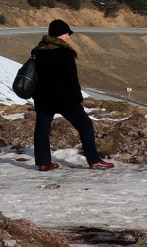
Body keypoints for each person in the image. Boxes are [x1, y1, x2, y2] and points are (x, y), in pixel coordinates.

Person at [30, 20, 114, 172]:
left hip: (42, 97)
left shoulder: (38, 51)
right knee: (85, 125)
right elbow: (71, 79)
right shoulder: (65, 52)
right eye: (67, 33)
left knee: (42, 128)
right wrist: (78, 97)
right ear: (61, 34)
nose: (68, 37)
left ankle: (43, 162)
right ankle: (94, 160)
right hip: (63, 98)